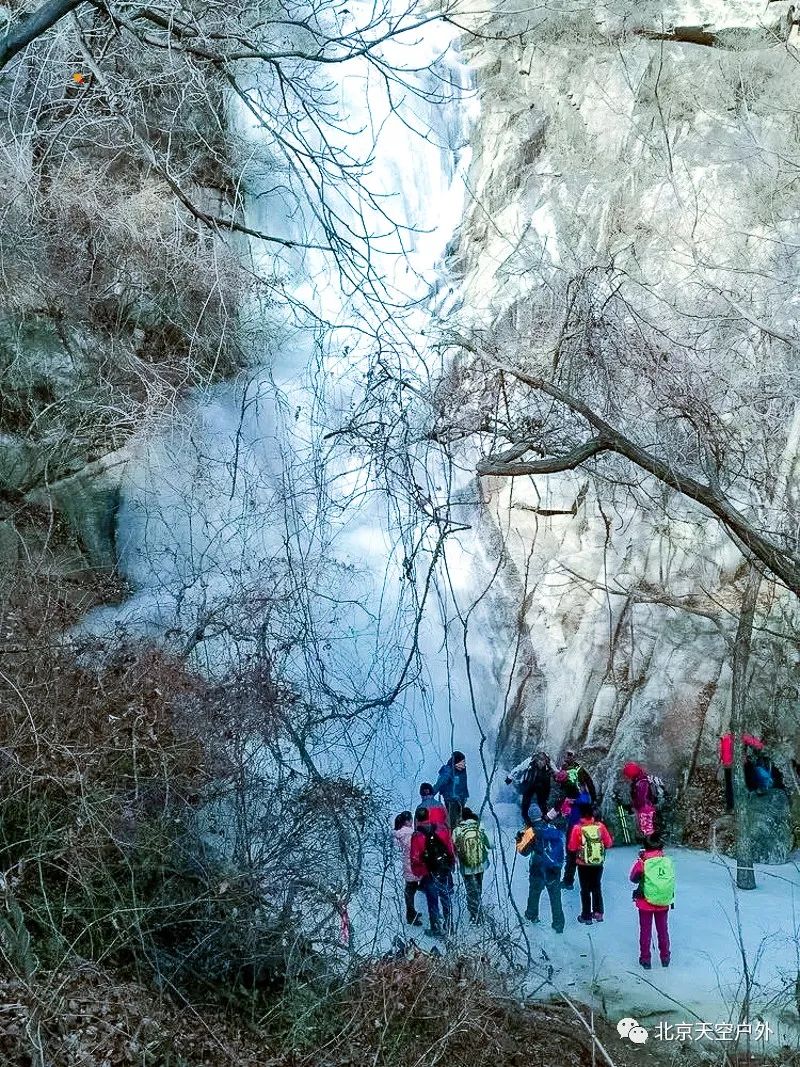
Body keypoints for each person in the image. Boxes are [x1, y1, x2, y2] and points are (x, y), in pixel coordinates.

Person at [629, 834, 675, 969]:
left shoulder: (642, 863)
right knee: (663, 930)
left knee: (645, 931)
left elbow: (633, 878)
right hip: (663, 901)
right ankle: (665, 957)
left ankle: (645, 959)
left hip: (645, 902)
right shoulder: (667, 861)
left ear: (645, 847)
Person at [410, 805, 456, 937]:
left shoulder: (417, 836)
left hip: (429, 872)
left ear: (417, 819)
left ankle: (436, 928)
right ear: (428, 816)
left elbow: (415, 857)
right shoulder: (442, 830)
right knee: (445, 898)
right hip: (444, 869)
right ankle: (450, 925)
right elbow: (450, 848)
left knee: (432, 901)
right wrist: (451, 863)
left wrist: (418, 872)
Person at [567, 802, 613, 924]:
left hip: (583, 864)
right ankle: (598, 913)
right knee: (596, 886)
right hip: (598, 863)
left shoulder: (577, 828)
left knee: (585, 889)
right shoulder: (600, 827)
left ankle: (586, 916)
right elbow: (609, 843)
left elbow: (572, 847)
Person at [524, 804, 565, 933]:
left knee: (534, 892)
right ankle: (558, 924)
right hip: (554, 867)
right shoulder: (551, 828)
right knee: (555, 896)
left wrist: (519, 839)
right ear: (541, 814)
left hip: (537, 867)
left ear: (530, 817)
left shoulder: (530, 831)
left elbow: (523, 851)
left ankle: (531, 915)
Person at [452, 806, 491, 923]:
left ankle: (474, 913)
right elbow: (491, 844)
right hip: (480, 863)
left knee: (470, 889)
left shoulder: (457, 830)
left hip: (466, 866)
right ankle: (478, 906)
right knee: (478, 885)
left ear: (462, 817)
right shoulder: (480, 826)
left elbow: (453, 847)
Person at [506, 752, 553, 826]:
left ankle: (546, 818)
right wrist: (510, 777)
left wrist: (563, 778)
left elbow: (556, 771)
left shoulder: (549, 763)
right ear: (536, 760)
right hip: (530, 783)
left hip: (542, 785)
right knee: (526, 802)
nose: (540, 764)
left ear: (545, 761)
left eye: (542, 762)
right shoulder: (530, 761)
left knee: (542, 802)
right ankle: (526, 819)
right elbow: (519, 768)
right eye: (539, 762)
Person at [392, 811, 422, 925]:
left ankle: (412, 912)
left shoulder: (399, 833)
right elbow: (414, 849)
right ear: (408, 821)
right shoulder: (410, 834)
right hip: (413, 864)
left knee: (410, 889)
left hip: (407, 863)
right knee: (410, 891)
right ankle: (411, 916)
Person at [433, 751, 469, 828]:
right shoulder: (448, 771)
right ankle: (452, 833)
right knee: (453, 822)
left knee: (459, 820)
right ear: (456, 762)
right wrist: (431, 794)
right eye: (462, 762)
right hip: (451, 800)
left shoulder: (462, 770)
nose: (464, 764)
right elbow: (440, 783)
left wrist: (464, 797)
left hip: (461, 799)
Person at [622, 762, 656, 837]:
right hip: (647, 808)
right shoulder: (642, 779)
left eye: (627, 776)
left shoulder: (641, 782)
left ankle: (650, 842)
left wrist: (633, 806)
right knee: (646, 830)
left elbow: (642, 799)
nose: (626, 778)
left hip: (645, 809)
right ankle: (649, 841)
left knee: (647, 831)